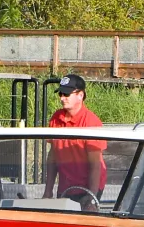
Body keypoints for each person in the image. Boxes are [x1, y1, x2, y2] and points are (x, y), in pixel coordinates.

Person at [43, 74, 105, 208]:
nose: (62, 98)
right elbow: (53, 157)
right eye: (60, 94)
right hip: (65, 187)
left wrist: (91, 197)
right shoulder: (56, 118)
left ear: (80, 95)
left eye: (66, 94)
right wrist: (48, 191)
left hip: (88, 187)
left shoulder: (91, 122)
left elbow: (96, 164)